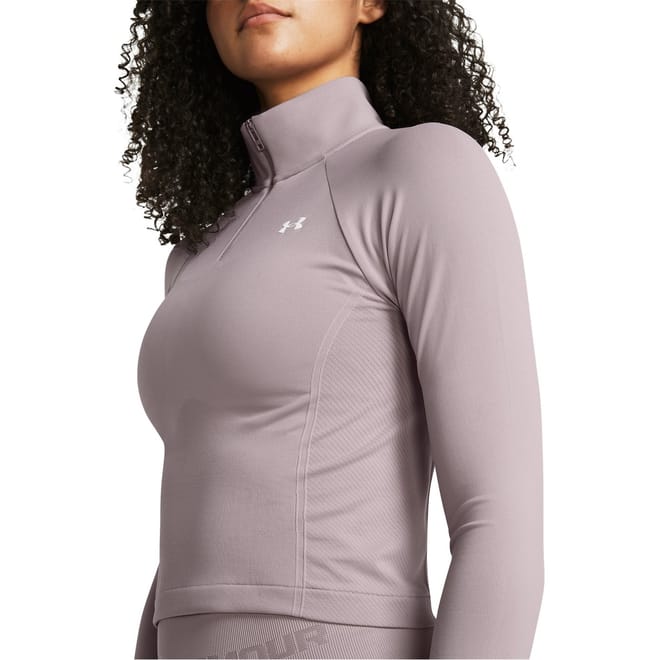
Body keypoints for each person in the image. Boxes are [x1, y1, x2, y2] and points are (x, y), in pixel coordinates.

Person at [118, 1, 544, 658]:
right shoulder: (197, 253)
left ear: (370, 3)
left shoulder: (421, 170)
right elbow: (192, 538)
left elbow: (498, 520)